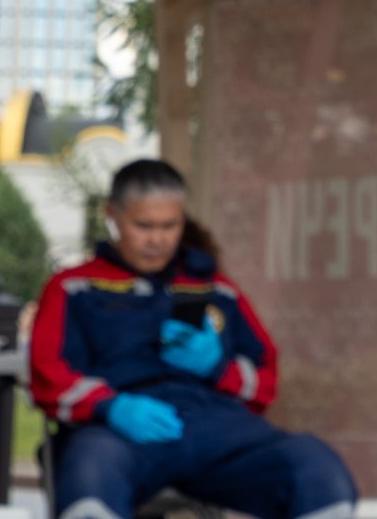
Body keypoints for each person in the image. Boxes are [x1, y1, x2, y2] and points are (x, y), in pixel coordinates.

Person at [29, 159, 356, 519]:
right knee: (88, 475)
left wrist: (218, 367)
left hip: (218, 429)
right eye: (144, 226)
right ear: (112, 216)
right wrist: (109, 406)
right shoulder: (74, 288)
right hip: (119, 431)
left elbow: (265, 380)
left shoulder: (216, 289)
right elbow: (47, 374)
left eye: (170, 225)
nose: (158, 239)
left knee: (314, 465)